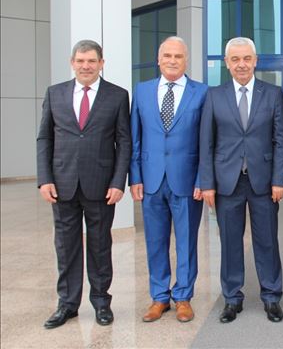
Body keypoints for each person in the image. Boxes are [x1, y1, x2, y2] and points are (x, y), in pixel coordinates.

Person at [37, 40, 131, 329]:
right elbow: (45, 138)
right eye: (80, 61)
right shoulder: (55, 93)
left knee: (100, 245)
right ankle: (67, 304)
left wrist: (119, 182)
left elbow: (124, 141)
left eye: (91, 61)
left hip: (101, 186)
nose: (85, 66)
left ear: (101, 63)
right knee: (66, 247)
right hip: (62, 184)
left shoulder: (117, 95)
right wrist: (44, 179)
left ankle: (101, 302)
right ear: (72, 62)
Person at [199, 37, 283, 323]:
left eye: (247, 58)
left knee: (267, 241)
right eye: (235, 59)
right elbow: (206, 143)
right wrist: (207, 183)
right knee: (230, 242)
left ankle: (271, 296)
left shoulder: (272, 94)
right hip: (227, 182)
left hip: (264, 182)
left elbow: (281, 140)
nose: (241, 64)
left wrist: (279, 179)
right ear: (227, 63)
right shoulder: (214, 95)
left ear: (255, 60)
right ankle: (232, 298)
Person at [129, 37, 207, 323]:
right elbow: (135, 137)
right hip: (151, 180)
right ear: (158, 59)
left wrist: (202, 178)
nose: (173, 60)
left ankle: (183, 296)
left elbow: (206, 141)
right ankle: (159, 297)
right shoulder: (142, 90)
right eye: (167, 55)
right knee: (155, 241)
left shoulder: (202, 92)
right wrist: (135, 176)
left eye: (178, 56)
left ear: (186, 60)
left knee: (186, 241)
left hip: (187, 180)